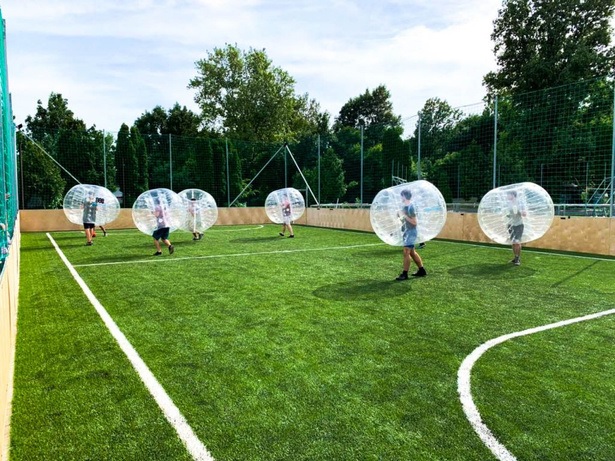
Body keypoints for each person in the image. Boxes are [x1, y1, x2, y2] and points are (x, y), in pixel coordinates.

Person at [396, 188, 427, 280]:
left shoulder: (411, 207)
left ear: (404, 196)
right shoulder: (405, 207)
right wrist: (399, 215)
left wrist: (404, 215)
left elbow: (414, 222)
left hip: (411, 232)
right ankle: (422, 270)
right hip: (407, 231)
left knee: (406, 251)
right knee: (412, 252)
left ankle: (404, 274)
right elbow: (403, 219)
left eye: (401, 196)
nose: (400, 197)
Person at [506, 190, 526, 266]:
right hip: (510, 225)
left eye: (508, 195)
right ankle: (515, 257)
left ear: (513, 195)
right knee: (513, 242)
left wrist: (520, 212)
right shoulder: (508, 204)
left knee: (517, 242)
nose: (507, 196)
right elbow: (508, 214)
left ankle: (518, 258)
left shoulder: (520, 203)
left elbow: (524, 214)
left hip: (518, 225)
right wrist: (508, 215)